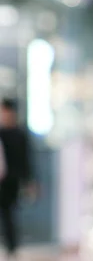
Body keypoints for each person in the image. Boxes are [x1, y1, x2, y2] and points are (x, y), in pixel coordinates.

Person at [0, 98, 34, 257]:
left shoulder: (19, 134)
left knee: (9, 215)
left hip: (10, 181)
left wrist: (29, 180)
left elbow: (27, 159)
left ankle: (11, 249)